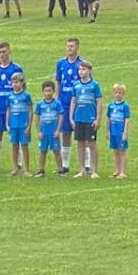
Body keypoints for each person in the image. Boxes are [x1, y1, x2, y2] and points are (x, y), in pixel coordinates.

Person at [0, 42, 22, 171]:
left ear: (9, 51)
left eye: (4, 52)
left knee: (14, 133)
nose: (2, 55)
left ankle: (18, 162)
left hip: (12, 108)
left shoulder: (16, 68)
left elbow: (21, 88)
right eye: (0, 52)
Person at [69, 60, 102, 179]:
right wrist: (71, 117)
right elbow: (73, 101)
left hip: (90, 118)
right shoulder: (76, 85)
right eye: (79, 70)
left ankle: (94, 170)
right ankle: (81, 169)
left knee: (92, 144)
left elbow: (99, 102)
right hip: (79, 118)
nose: (81, 72)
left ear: (89, 71)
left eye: (83, 69)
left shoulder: (94, 85)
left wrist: (97, 119)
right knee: (80, 144)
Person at [55, 38, 82, 175]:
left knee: (82, 134)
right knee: (65, 133)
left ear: (77, 48)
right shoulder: (61, 63)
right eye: (68, 46)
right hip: (64, 102)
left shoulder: (82, 64)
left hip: (79, 104)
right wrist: (57, 97)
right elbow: (58, 81)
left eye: (72, 46)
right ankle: (65, 165)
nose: (69, 48)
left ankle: (86, 165)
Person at [33, 80, 63, 178]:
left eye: (50, 91)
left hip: (53, 132)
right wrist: (39, 132)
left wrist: (58, 130)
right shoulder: (40, 104)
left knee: (56, 151)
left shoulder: (57, 104)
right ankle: (41, 170)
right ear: (43, 92)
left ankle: (60, 170)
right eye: (46, 91)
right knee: (43, 151)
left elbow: (60, 116)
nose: (48, 93)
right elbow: (36, 118)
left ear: (53, 91)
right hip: (44, 132)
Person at [7, 73, 33, 177]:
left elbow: (30, 111)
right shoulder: (10, 96)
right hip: (13, 125)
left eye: (17, 82)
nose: (14, 84)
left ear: (22, 83)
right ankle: (15, 168)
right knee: (14, 146)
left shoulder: (26, 96)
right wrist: (7, 123)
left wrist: (29, 126)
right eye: (13, 82)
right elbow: (8, 110)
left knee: (24, 146)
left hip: (23, 125)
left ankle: (26, 169)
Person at [107, 84, 131, 179]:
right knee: (115, 151)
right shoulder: (111, 106)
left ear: (123, 94)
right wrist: (107, 131)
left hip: (120, 132)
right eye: (116, 92)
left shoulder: (125, 106)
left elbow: (127, 120)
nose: (117, 94)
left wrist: (125, 132)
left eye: (120, 93)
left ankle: (123, 171)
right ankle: (117, 170)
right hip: (113, 131)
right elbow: (108, 118)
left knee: (122, 151)